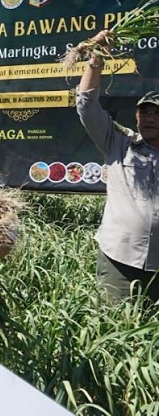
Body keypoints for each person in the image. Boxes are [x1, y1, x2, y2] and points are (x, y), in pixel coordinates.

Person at [77, 30, 159, 303]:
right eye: (145, 112)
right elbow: (87, 106)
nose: (150, 118)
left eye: (158, 113)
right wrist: (96, 59)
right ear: (136, 116)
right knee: (114, 330)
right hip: (119, 261)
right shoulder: (119, 142)